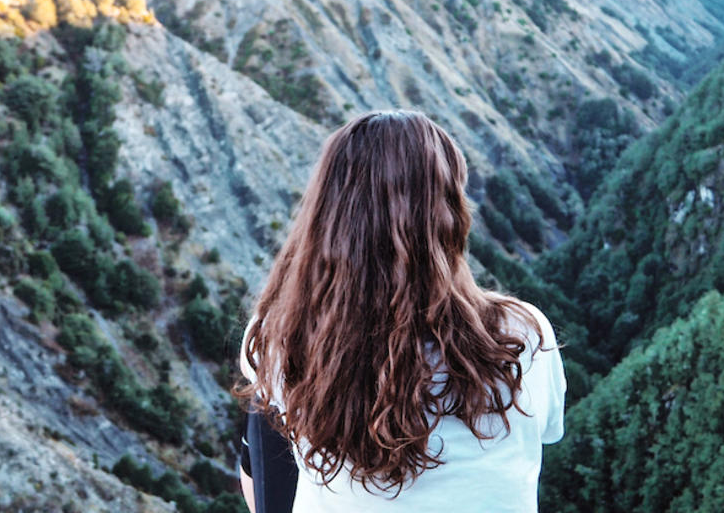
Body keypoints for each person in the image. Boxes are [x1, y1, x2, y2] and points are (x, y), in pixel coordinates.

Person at [232, 110, 566, 512]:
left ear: (327, 217)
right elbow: (544, 435)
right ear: (449, 214)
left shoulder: (283, 335)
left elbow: (263, 474)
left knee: (266, 421)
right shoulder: (524, 333)